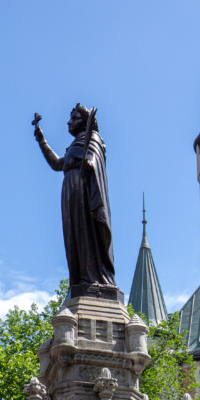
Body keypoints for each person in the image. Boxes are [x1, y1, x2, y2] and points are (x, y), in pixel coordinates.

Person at [33, 104, 117, 295]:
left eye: (74, 118)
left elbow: (95, 159)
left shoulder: (93, 139)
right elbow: (56, 164)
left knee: (87, 232)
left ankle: (94, 277)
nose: (69, 122)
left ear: (86, 122)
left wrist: (89, 162)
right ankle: (81, 277)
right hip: (70, 193)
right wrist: (42, 141)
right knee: (74, 237)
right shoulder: (74, 145)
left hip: (84, 193)